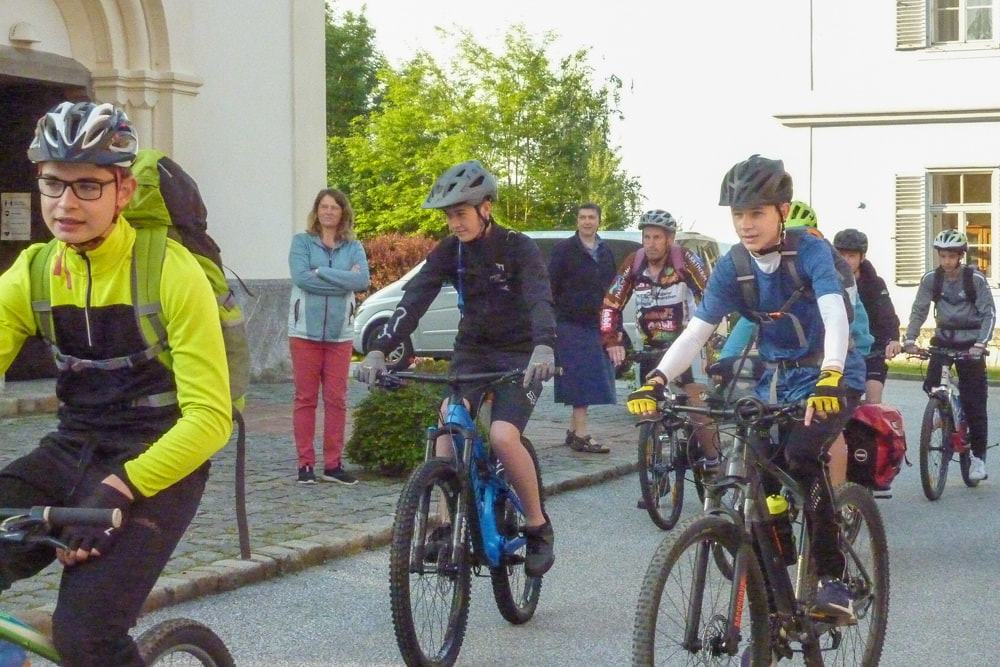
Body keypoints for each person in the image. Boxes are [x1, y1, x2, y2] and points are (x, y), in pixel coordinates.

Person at [0, 101, 232, 665]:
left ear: (123, 190)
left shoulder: (169, 271)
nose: (65, 204)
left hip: (158, 462)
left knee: (85, 638)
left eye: (87, 186)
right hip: (72, 447)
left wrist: (122, 485)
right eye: (53, 183)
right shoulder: (34, 271)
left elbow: (210, 419)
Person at [628, 155, 867, 622]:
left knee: (801, 455)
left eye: (756, 213)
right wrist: (657, 379)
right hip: (778, 378)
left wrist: (832, 372)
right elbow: (697, 331)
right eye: (738, 214)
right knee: (758, 459)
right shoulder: (734, 265)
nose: (745, 224)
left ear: (782, 211)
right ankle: (778, 600)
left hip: (832, 375)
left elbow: (834, 312)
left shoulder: (811, 252)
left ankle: (834, 578)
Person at [356, 160, 558, 577]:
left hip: (520, 355)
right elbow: (414, 298)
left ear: (486, 208)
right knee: (448, 427)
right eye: (449, 215)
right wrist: (378, 350)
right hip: (472, 352)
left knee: (503, 437)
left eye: (460, 213)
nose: (454, 223)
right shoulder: (450, 251)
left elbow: (540, 298)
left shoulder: (518, 247)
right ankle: (448, 525)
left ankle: (538, 526)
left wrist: (544, 346)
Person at [601, 209, 718, 491]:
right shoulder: (634, 263)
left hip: (687, 344)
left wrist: (712, 340)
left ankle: (714, 463)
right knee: (648, 410)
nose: (651, 243)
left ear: (670, 239)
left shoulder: (685, 260)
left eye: (657, 237)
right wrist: (612, 340)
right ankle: (658, 475)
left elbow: (712, 296)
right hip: (651, 347)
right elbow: (610, 305)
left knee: (696, 406)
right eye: (647, 237)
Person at [288, 188, 370, 485]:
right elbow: (301, 278)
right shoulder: (302, 242)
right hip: (304, 332)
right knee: (305, 399)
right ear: (317, 210)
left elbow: (362, 281)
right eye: (324, 206)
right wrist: (342, 280)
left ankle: (333, 465)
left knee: (337, 400)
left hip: (339, 335)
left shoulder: (353, 246)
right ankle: (305, 464)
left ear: (342, 212)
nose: (328, 212)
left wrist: (320, 271)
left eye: (334, 207)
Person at [904, 229, 995, 481]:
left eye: (951, 256)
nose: (946, 261)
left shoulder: (974, 279)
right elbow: (919, 310)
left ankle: (977, 459)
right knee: (932, 385)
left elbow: (988, 313)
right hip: (943, 342)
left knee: (975, 403)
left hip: (970, 345)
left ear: (960, 256)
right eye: (942, 256)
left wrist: (980, 344)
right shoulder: (931, 279)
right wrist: (910, 339)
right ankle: (944, 414)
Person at [548, 203, 617, 453]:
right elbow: (550, 286)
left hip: (597, 324)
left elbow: (613, 291)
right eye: (582, 217)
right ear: (577, 221)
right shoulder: (563, 250)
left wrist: (613, 325)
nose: (587, 221)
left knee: (589, 376)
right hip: (570, 323)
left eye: (591, 217)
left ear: (599, 221)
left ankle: (573, 430)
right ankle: (581, 434)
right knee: (580, 378)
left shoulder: (606, 252)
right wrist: (552, 322)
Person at [833, 229, 901, 405]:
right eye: (841, 255)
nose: (846, 260)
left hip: (873, 351)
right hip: (842, 352)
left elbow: (887, 314)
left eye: (851, 256)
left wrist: (893, 339)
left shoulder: (874, 283)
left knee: (872, 401)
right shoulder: (828, 281)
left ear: (862, 257)